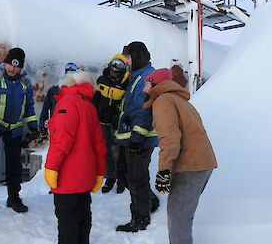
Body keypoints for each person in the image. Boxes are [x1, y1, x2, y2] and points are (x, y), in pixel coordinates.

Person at [143, 68, 218, 244]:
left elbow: (170, 138)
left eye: (146, 84)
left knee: (178, 220)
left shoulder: (163, 101)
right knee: (182, 217)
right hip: (202, 165)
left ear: (154, 83)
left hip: (190, 167)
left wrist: (164, 171)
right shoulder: (180, 100)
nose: (144, 89)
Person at [44, 71, 106, 244]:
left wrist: (51, 168)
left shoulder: (67, 103)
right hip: (85, 178)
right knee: (83, 218)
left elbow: (61, 141)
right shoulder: (89, 106)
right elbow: (99, 145)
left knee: (67, 222)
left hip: (67, 178)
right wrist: (99, 173)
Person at [0, 47, 39, 213]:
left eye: (16, 66)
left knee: (14, 163)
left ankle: (13, 197)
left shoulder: (25, 83)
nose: (12, 68)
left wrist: (33, 127)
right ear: (5, 62)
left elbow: (29, 106)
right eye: (10, 64)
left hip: (14, 126)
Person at [115, 41, 159, 232]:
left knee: (136, 178)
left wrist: (136, 139)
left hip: (140, 139)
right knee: (126, 175)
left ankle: (140, 219)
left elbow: (144, 113)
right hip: (133, 137)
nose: (125, 62)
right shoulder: (137, 76)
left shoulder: (145, 79)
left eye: (128, 58)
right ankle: (150, 202)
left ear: (137, 57)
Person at [92, 53, 129, 194]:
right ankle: (110, 177)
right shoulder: (103, 79)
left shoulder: (126, 83)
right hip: (102, 123)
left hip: (117, 124)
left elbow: (126, 104)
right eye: (114, 64)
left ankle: (121, 179)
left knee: (119, 152)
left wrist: (120, 117)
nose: (115, 69)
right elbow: (96, 98)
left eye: (119, 65)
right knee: (106, 152)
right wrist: (92, 112)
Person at [39, 62, 81, 135]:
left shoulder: (80, 91)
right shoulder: (54, 89)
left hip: (75, 128)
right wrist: (42, 125)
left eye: (72, 72)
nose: (70, 75)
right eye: (68, 72)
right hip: (57, 127)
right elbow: (46, 108)